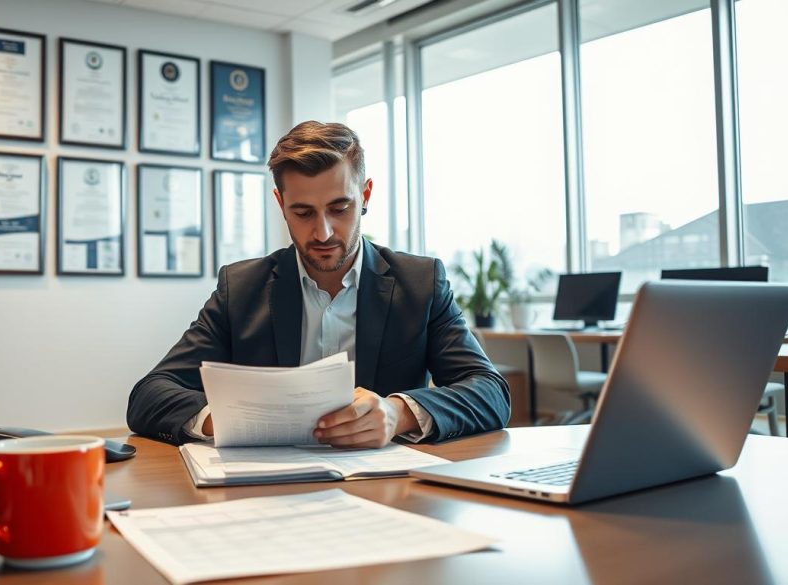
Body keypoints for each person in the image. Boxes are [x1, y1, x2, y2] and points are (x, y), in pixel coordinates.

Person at [127, 121, 510, 447]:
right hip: (269, 492)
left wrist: (398, 413)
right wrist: (226, 420)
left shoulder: (420, 283)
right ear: (281, 204)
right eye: (303, 212)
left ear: (365, 195)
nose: (323, 231)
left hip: (387, 488)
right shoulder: (241, 289)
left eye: (339, 208)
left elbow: (491, 392)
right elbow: (150, 394)